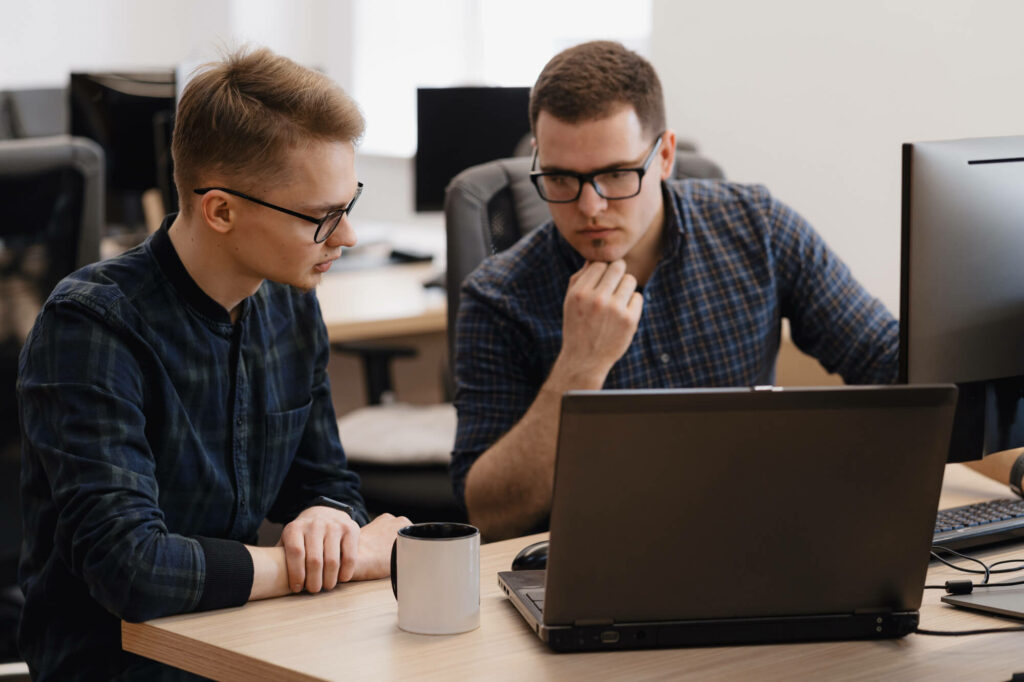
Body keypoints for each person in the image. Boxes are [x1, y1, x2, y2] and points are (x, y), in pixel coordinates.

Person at [17, 47, 408, 680]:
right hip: (115, 666)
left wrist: (327, 520)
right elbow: (132, 569)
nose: (347, 237)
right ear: (220, 209)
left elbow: (328, 482)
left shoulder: (288, 301)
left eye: (348, 204)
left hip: (248, 641)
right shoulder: (91, 325)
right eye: (321, 217)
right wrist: (341, 559)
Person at [450, 41, 900, 542]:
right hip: (601, 557)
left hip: (758, 533)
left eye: (616, 174)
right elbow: (486, 513)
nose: (591, 206)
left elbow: (885, 358)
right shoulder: (497, 296)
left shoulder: (759, 228)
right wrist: (579, 367)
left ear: (664, 156)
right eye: (559, 178)